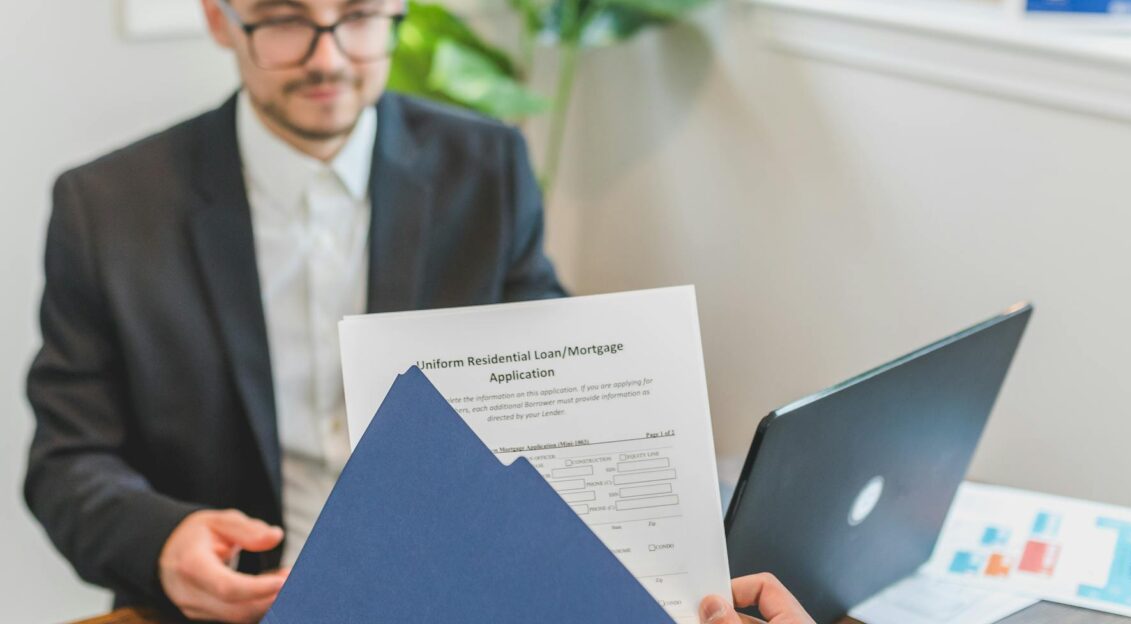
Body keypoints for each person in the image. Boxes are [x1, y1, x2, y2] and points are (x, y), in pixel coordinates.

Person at [23, 0, 817, 621]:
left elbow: (558, 393)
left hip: (460, 588)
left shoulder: (489, 167)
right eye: (286, 20)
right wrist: (162, 543)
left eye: (362, 17)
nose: (328, 56)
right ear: (218, 16)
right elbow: (66, 463)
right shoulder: (107, 209)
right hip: (240, 607)